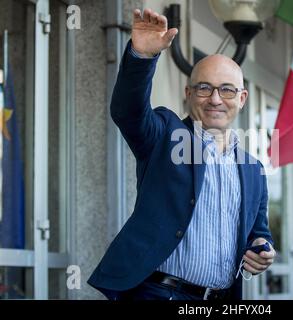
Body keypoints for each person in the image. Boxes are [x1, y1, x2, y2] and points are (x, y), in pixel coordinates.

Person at [87, 8, 275, 300]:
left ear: (242, 98)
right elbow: (128, 111)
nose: (215, 99)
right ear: (188, 94)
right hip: (159, 293)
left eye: (226, 90)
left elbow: (258, 233)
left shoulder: (254, 170)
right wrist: (141, 56)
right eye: (204, 88)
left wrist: (262, 249)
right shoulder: (165, 136)